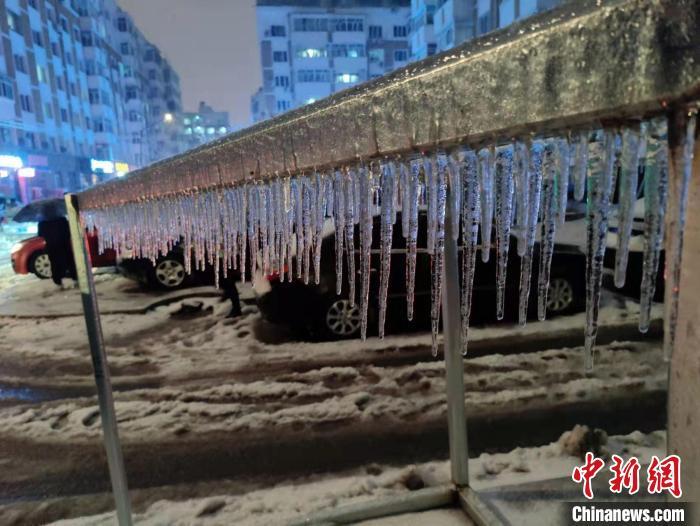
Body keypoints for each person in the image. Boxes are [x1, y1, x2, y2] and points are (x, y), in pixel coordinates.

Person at [37, 215, 76, 287]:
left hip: (52, 247)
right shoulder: (62, 219)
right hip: (64, 245)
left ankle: (58, 282)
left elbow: (40, 235)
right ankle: (75, 278)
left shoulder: (42, 223)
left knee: (55, 264)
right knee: (69, 261)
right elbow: (68, 231)